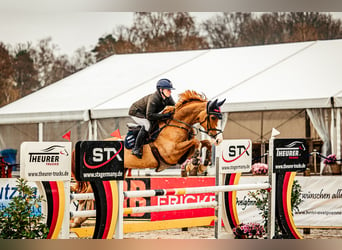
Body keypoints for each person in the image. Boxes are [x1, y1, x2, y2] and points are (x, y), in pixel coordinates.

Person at [128, 78, 176, 158]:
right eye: (168, 90)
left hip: (146, 112)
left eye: (170, 90)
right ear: (161, 90)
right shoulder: (154, 99)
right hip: (136, 112)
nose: (170, 92)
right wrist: (165, 115)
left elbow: (175, 107)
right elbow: (149, 115)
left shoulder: (168, 97)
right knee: (147, 125)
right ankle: (136, 149)